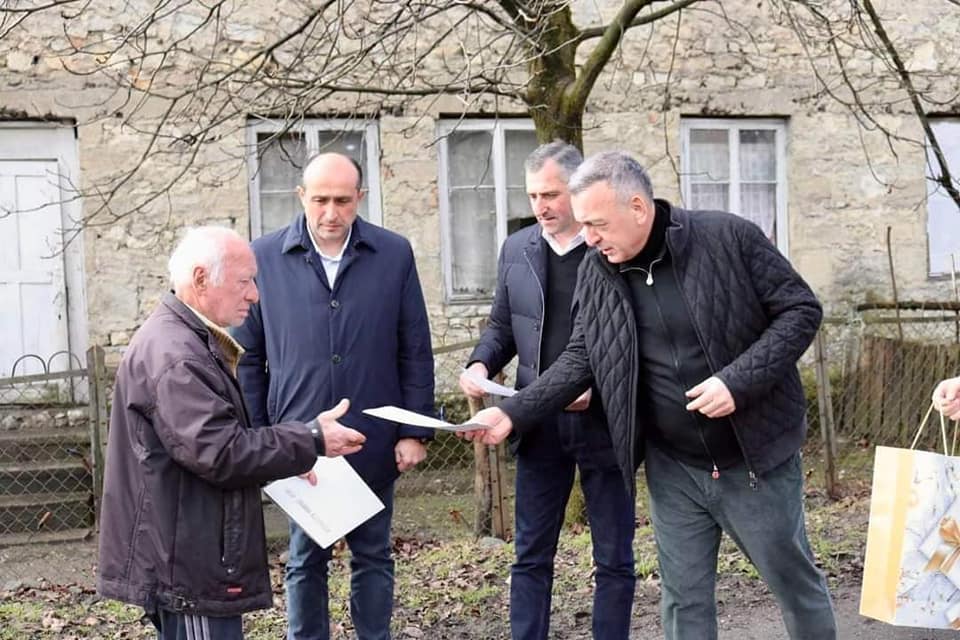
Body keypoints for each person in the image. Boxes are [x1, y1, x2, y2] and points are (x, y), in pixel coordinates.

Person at [463, 151, 837, 640]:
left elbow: (801, 311)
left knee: (793, 585)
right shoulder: (599, 269)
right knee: (684, 601)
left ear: (638, 208)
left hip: (751, 459)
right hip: (674, 465)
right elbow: (581, 356)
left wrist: (737, 382)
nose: (588, 238)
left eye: (597, 224)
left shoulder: (727, 237)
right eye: (584, 224)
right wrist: (513, 413)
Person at [97, 226, 367, 640]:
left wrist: (290, 456)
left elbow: (211, 444)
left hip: (189, 556)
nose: (255, 295)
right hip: (188, 565)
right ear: (201, 279)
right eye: (244, 281)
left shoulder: (184, 341)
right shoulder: (178, 357)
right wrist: (311, 439)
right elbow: (221, 453)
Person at [233, 153, 435, 640]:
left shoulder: (393, 254)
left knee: (373, 554)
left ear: (360, 198)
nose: (330, 212)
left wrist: (414, 431)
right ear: (301, 196)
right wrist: (263, 440)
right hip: (299, 441)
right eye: (320, 199)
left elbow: (414, 347)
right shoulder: (264, 258)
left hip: (373, 436)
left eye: (343, 200)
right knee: (305, 559)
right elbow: (248, 361)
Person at [458, 141, 635, 639]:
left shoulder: (611, 248)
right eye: (533, 195)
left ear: (577, 190)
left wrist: (598, 388)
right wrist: (480, 361)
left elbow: (635, 336)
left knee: (614, 557)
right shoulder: (517, 248)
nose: (541, 206)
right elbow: (502, 325)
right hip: (536, 423)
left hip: (604, 422)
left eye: (551, 194)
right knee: (531, 554)